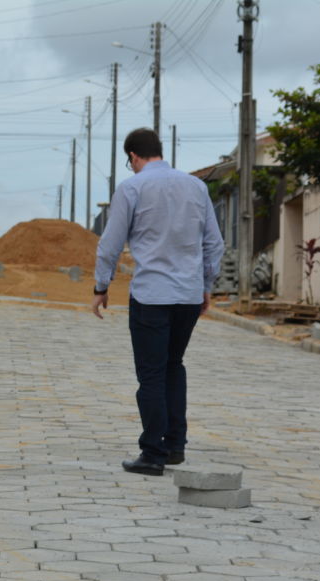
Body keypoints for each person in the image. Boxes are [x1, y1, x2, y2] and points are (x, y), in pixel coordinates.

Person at [92, 127, 224, 475]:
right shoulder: (196, 186)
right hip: (188, 296)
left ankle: (151, 453)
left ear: (133, 156)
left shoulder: (132, 187)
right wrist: (206, 285)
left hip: (152, 294)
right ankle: (175, 445)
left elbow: (110, 243)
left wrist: (101, 286)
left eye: (129, 161)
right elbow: (214, 243)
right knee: (173, 365)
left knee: (150, 374)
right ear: (159, 151)